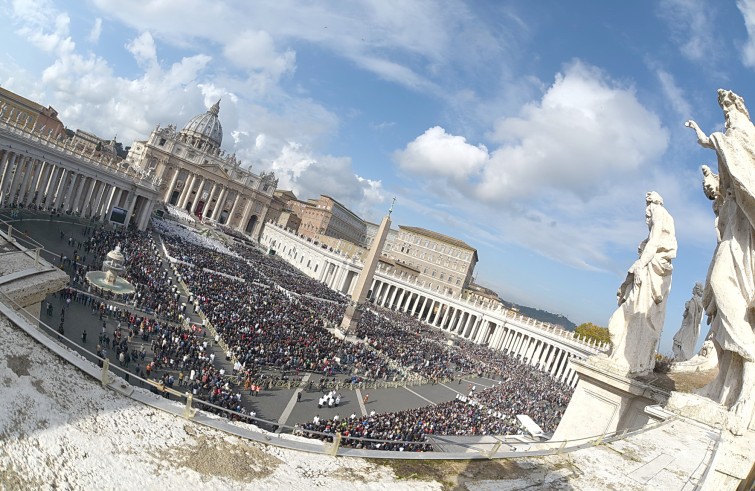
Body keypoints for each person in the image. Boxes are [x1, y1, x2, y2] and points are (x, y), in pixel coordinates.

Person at [686, 89, 755, 434]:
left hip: (746, 235)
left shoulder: (744, 134)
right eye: (724, 112)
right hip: (735, 231)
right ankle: (725, 383)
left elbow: (741, 158)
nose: (726, 116)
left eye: (729, 109)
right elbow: (728, 181)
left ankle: (748, 380)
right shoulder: (733, 137)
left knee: (722, 286)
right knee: (722, 293)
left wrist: (710, 140)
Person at [607, 191, 677, 375]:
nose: (646, 219)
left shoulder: (657, 211)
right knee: (641, 315)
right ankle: (635, 358)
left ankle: (627, 357)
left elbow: (654, 242)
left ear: (650, 205)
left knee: (635, 313)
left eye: (646, 216)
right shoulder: (668, 217)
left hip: (650, 267)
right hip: (657, 268)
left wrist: (640, 264)